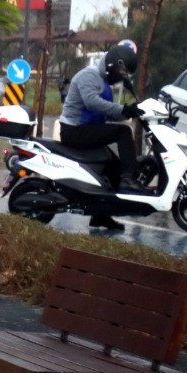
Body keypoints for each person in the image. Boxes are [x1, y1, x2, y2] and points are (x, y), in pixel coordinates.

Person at [58, 41, 142, 231]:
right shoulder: (89, 75)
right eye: (121, 74)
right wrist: (123, 110)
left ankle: (100, 216)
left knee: (113, 167)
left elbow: (107, 112)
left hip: (87, 129)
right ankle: (128, 179)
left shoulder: (103, 79)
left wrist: (132, 110)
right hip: (74, 130)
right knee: (123, 132)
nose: (120, 78)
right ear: (113, 65)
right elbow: (92, 103)